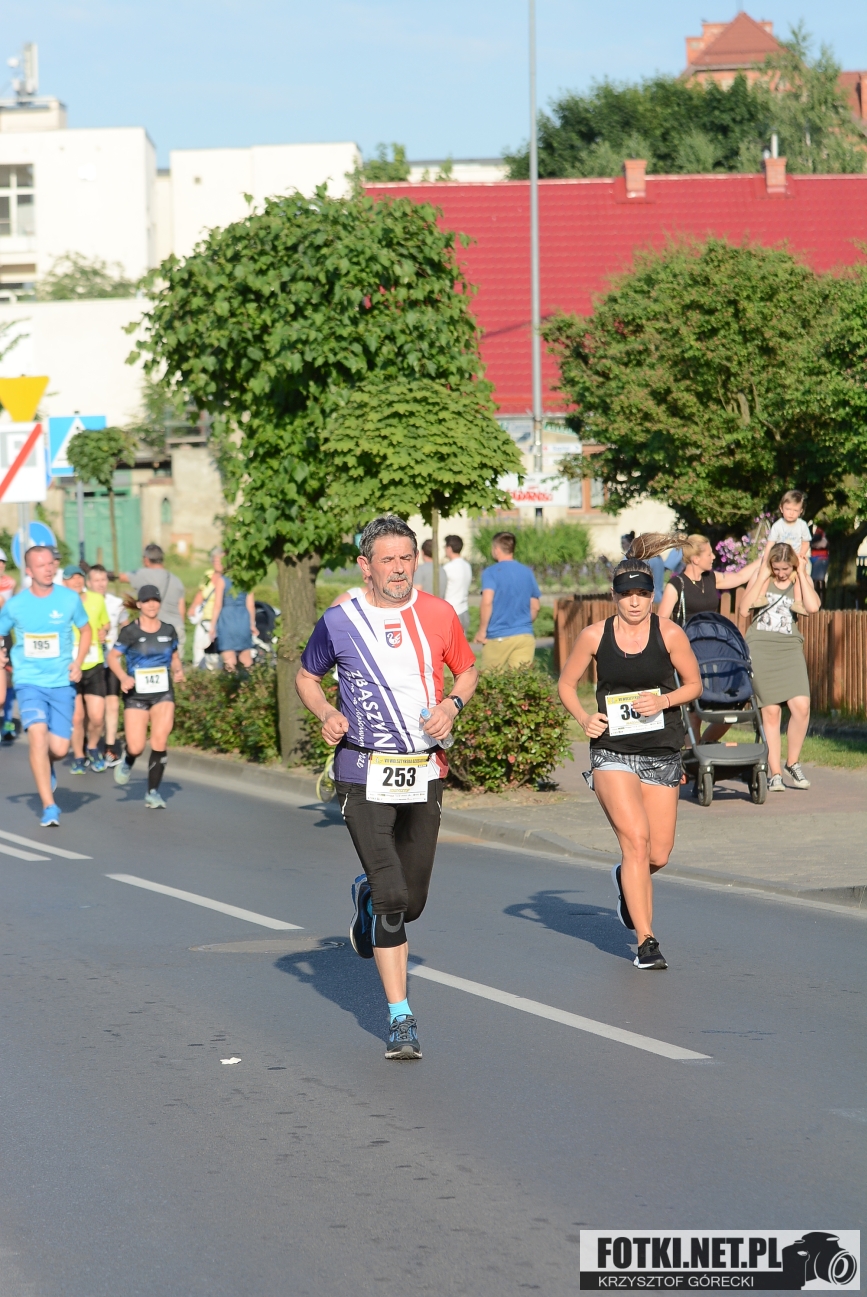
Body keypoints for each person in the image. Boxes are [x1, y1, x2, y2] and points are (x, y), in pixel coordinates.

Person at [295, 515, 478, 1061]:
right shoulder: (340, 622)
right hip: (363, 769)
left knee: (411, 901)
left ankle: (366, 897)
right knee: (393, 899)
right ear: (365, 566)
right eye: (387, 560)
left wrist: (452, 705)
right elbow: (307, 676)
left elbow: (467, 671)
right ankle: (400, 1018)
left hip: (423, 769)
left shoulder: (439, 614)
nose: (399, 569)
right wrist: (327, 712)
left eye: (406, 558)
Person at [558, 535, 702, 971]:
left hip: (661, 750)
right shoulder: (594, 635)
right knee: (636, 842)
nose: (634, 602)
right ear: (614, 596)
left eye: (642, 594)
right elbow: (566, 684)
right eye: (627, 594)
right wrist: (584, 718)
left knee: (658, 854)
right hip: (612, 751)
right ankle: (646, 941)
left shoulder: (669, 633)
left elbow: (694, 685)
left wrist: (663, 700)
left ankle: (626, 880)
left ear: (652, 595)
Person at [0, 545, 91, 826]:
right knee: (38, 736)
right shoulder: (16, 605)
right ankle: (49, 806)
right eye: (41, 565)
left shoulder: (69, 599)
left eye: (51, 563)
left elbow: (86, 629)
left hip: (62, 683)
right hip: (29, 682)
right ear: (29, 571)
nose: (49, 569)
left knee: (59, 750)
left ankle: (47, 762)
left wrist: (78, 661)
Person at [658, 534, 760, 744]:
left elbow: (740, 577)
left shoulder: (711, 578)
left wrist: (765, 557)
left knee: (730, 706)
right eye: (709, 553)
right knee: (694, 713)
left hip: (713, 652)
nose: (713, 557)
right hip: (688, 652)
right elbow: (661, 623)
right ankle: (693, 756)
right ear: (695, 558)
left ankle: (704, 746)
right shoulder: (676, 585)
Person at [742, 543, 821, 792]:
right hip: (761, 649)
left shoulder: (798, 580)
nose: (781, 573)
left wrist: (803, 574)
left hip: (789, 649)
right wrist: (762, 575)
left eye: (785, 568)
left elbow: (813, 607)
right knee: (771, 712)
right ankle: (775, 772)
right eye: (776, 568)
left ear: (793, 565)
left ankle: (792, 762)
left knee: (802, 706)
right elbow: (743, 610)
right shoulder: (763, 577)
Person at [108, 585, 185, 809]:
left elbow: (174, 657)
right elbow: (112, 658)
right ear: (139, 604)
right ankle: (128, 760)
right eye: (147, 601)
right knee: (136, 747)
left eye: (155, 600)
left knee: (160, 741)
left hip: (163, 693)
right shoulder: (130, 632)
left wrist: (178, 670)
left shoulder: (168, 630)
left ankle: (153, 793)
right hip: (136, 696)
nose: (152, 605)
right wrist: (123, 677)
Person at [62, 564, 110, 774]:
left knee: (97, 717)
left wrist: (104, 631)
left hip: (93, 664)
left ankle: (92, 746)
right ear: (64, 582)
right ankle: (79, 756)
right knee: (77, 717)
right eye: (71, 578)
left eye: (79, 577)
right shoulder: (59, 602)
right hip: (69, 666)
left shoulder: (97, 599)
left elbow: (105, 623)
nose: (76, 581)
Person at [474, 531, 540, 669]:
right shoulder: (527, 572)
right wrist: (522, 624)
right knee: (520, 680)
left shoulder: (491, 572)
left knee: (491, 679)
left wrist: (482, 631)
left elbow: (487, 602)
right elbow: (535, 607)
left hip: (498, 637)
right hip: (525, 637)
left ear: (497, 549)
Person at [83, 564, 128, 766]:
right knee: (90, 709)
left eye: (104, 580)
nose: (101, 584)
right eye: (96, 580)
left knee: (112, 704)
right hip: (89, 660)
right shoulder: (82, 601)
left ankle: (109, 747)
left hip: (111, 661)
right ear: (89, 583)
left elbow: (126, 628)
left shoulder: (117, 603)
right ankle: (87, 743)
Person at [120, 544, 187, 657]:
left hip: (153, 629)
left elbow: (121, 577)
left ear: (146, 560)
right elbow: (182, 610)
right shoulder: (176, 580)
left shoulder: (142, 574)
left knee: (153, 662)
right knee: (176, 662)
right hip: (176, 627)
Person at [209, 567, 256, 671]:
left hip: (227, 620)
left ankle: (231, 678)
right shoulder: (248, 580)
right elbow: (251, 605)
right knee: (246, 659)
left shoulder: (222, 580)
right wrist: (252, 624)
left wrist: (212, 626)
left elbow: (217, 605)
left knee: (229, 660)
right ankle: (250, 679)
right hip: (243, 620)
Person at [188, 548, 222, 669]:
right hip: (204, 619)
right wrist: (193, 607)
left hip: (219, 621)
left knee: (216, 655)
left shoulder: (227, 578)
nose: (217, 563)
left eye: (220, 560)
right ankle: (198, 673)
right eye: (215, 560)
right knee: (199, 650)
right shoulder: (208, 575)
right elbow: (201, 593)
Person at [763, 490, 811, 563]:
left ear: (800, 511)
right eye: (788, 509)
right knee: (762, 567)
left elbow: (805, 543)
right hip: (779, 557)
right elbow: (770, 544)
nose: (791, 513)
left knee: (803, 565)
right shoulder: (777, 525)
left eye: (795, 510)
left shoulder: (802, 525)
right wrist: (765, 560)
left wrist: (802, 553)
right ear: (781, 508)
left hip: (796, 557)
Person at [0, 546, 17, 741]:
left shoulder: (11, 583)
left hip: (4, 636)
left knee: (9, 678)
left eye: (2, 563)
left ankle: (8, 721)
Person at [442, 534, 473, 632]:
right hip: (464, 610)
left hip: (451, 611)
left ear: (449, 548)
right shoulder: (467, 566)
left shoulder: (448, 568)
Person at [809, 526, 830, 592]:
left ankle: (819, 594)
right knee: (817, 579)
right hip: (819, 558)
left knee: (819, 579)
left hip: (820, 558)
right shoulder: (821, 535)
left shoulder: (822, 535)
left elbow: (823, 544)